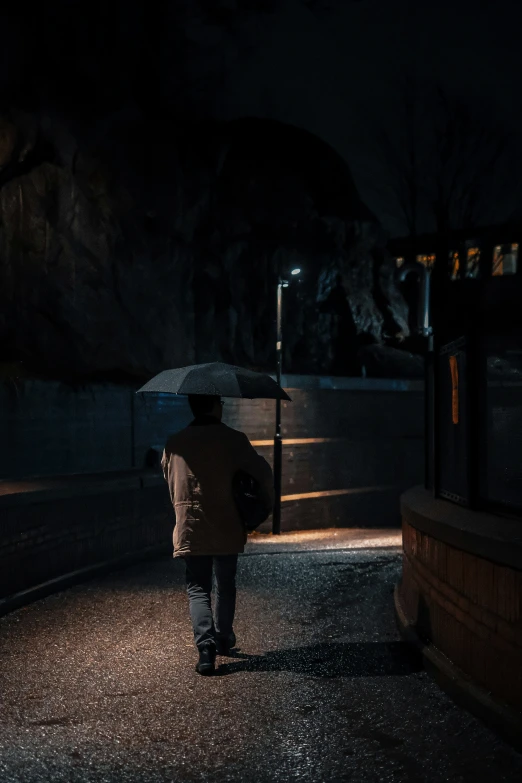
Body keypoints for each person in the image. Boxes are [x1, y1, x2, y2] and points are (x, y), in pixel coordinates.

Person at [161, 393, 274, 675]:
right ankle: (224, 637)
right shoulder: (234, 440)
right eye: (221, 403)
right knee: (225, 583)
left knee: (198, 587)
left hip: (191, 525)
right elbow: (261, 472)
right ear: (213, 405)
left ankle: (206, 649)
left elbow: (169, 477)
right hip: (226, 523)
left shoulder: (174, 443)